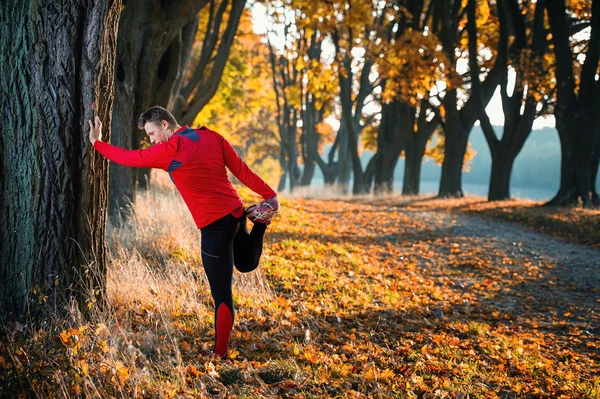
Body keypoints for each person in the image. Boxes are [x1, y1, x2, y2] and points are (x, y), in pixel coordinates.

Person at [88, 106, 279, 358]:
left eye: (152, 133)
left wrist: (97, 143)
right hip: (235, 213)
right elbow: (242, 170)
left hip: (214, 226)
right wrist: (270, 195)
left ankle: (220, 355)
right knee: (245, 264)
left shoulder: (169, 150)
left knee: (221, 293)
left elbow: (128, 158)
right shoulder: (211, 136)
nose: (152, 140)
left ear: (165, 125)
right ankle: (261, 222)